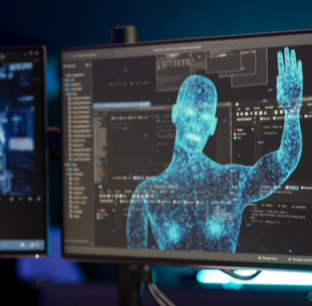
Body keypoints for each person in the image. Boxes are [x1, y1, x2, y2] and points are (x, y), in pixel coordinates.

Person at [127, 47, 303, 253]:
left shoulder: (232, 182)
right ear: (175, 113)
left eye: (204, 118)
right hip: (174, 286)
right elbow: (134, 268)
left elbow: (283, 164)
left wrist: (292, 113)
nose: (196, 124)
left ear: (212, 125)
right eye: (191, 112)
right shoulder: (147, 194)